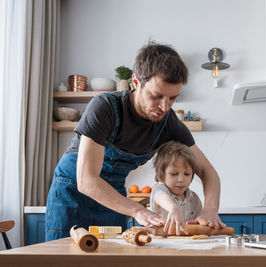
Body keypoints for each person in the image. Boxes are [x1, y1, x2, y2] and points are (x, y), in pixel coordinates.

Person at [45, 42, 226, 241]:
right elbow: (86, 181)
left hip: (114, 200)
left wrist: (210, 211)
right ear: (136, 82)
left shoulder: (169, 123)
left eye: (173, 98)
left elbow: (208, 172)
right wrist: (138, 210)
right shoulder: (104, 107)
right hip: (72, 195)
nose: (165, 107)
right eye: (156, 96)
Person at [150, 141, 202, 235]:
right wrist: (173, 207)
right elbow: (160, 197)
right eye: (174, 174)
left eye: (187, 174)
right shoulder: (159, 190)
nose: (181, 179)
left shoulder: (195, 199)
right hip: (162, 245)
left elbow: (198, 225)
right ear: (162, 174)